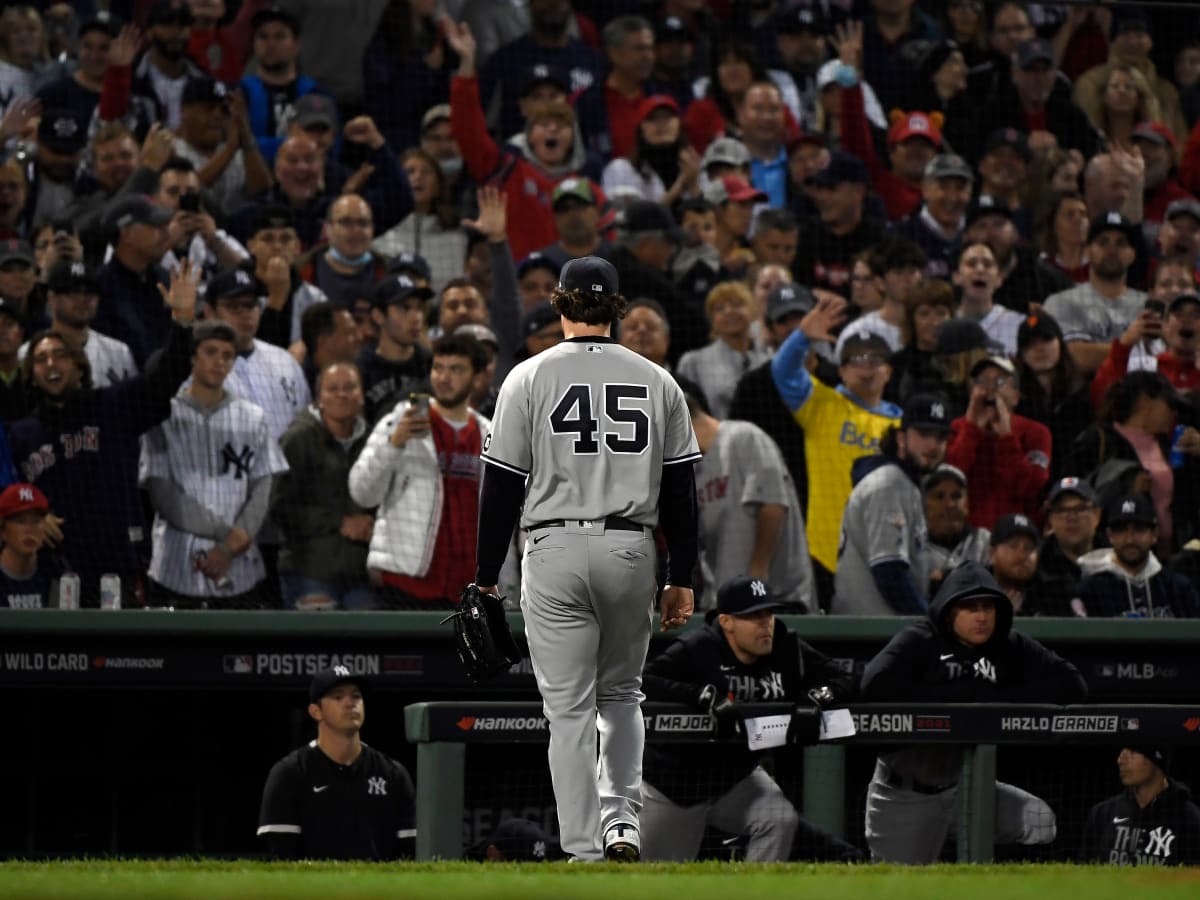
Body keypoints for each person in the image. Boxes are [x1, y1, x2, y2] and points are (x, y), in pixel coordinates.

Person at [473, 256, 700, 862]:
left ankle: (582, 849)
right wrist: (683, 577)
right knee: (622, 696)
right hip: (632, 546)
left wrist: (483, 579)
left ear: (561, 302)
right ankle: (621, 821)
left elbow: (499, 489)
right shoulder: (659, 380)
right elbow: (682, 491)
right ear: (617, 307)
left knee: (569, 710)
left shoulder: (528, 375)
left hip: (553, 546)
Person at [860, 561, 1088, 863]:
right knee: (900, 889)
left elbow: (1072, 684)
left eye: (988, 608)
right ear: (949, 610)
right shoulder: (921, 639)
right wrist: (957, 695)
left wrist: (994, 698)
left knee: (1039, 821)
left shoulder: (1007, 645)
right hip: (907, 793)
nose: (981, 617)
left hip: (964, 789)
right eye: (970, 608)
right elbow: (874, 684)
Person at [5, 263, 198, 607]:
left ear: (79, 365)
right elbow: (12, 494)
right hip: (56, 567)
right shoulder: (21, 434)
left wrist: (182, 321)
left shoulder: (113, 405)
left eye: (60, 356)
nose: (51, 365)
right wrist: (35, 514)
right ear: (31, 375)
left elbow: (167, 376)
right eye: (41, 359)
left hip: (117, 562)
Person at [639, 575, 859, 862]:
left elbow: (847, 677)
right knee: (660, 881)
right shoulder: (699, 647)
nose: (765, 623)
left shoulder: (786, 647)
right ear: (726, 622)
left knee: (778, 819)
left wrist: (817, 697)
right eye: (753, 616)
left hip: (735, 778)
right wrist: (700, 695)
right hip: (675, 785)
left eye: (768, 613)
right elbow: (643, 680)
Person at [139, 320, 288, 609]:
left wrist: (231, 546)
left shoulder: (253, 417)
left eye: (227, 355)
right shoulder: (163, 415)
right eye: (210, 352)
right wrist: (226, 535)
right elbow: (162, 494)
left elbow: (263, 488)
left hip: (240, 569)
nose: (219, 362)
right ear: (192, 357)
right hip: (175, 568)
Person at [772, 293, 901, 607]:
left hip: (885, 549)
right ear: (841, 370)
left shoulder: (901, 424)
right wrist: (802, 337)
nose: (865, 367)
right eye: (855, 359)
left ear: (889, 371)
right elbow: (783, 371)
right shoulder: (821, 404)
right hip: (824, 552)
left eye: (875, 359)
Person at [349, 335, 491, 610]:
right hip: (405, 582)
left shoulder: (490, 433)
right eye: (438, 368)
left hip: (467, 588)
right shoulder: (401, 419)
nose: (444, 377)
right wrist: (394, 444)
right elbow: (362, 492)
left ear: (477, 377)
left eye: (456, 370)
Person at [257, 666, 416, 860]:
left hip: (376, 889)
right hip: (312, 889)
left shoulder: (393, 774)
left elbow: (408, 853)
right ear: (316, 711)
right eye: (338, 697)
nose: (350, 703)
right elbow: (282, 855)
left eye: (356, 696)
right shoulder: (290, 772)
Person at [682, 378, 812, 611]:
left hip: (777, 598)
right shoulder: (693, 470)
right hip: (726, 603)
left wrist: (757, 575)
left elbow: (772, 506)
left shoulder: (743, 437)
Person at [833, 393, 951, 616]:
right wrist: (928, 623)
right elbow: (889, 572)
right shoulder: (887, 484)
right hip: (867, 633)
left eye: (941, 437)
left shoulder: (906, 485)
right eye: (924, 434)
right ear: (901, 438)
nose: (933, 444)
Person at [272, 361, 374, 611]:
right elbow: (279, 509)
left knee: (374, 638)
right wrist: (339, 522)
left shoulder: (374, 440)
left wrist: (372, 524)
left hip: (360, 573)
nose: (341, 394)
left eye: (350, 387)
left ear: (361, 396)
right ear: (319, 399)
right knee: (315, 645)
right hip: (308, 569)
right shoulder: (298, 439)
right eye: (332, 389)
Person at [946, 356, 1052, 528]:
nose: (990, 389)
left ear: (1016, 396)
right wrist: (971, 429)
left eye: (1000, 381)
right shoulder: (957, 429)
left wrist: (1006, 438)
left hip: (1018, 535)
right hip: (965, 534)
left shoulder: (1037, 433)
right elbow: (951, 477)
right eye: (982, 381)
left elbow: (1029, 488)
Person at [1044, 211, 1147, 375]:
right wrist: (1133, 351)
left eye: (1121, 243)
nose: (1112, 250)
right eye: (1103, 242)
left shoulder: (1147, 304)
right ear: (1087, 252)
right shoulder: (1061, 302)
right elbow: (1075, 358)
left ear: (1132, 255)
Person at [1073, 494, 1200, 619]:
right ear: (1110, 535)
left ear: (1154, 534)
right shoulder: (1090, 590)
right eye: (1121, 530)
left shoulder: (1177, 588)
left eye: (1139, 529)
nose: (1130, 539)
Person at [1081, 745, 1200, 866]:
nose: (1121, 760)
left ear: (1157, 760)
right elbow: (1084, 872)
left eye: (1133, 752)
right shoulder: (1102, 813)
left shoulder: (1189, 818)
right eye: (1122, 751)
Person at [238, 6, 321, 165]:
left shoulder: (315, 94)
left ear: (297, 45)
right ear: (254, 44)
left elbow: (323, 146)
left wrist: (259, 144)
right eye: (263, 37)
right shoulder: (239, 93)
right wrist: (294, 143)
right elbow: (235, 146)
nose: (270, 44)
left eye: (280, 36)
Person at [676, 281, 768, 421]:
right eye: (719, 309)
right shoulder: (693, 362)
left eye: (737, 304)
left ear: (753, 311)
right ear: (712, 320)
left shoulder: (771, 357)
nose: (729, 311)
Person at [41, 260, 136, 388]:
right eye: (73, 292)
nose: (82, 299)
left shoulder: (119, 352)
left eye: (89, 292)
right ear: (51, 298)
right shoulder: (31, 354)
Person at [356, 275, 433, 423]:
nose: (416, 317)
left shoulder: (431, 364)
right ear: (378, 316)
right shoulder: (361, 370)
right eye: (404, 308)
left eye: (419, 308)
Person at [921, 462, 990, 597]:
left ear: (967, 504)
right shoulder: (914, 545)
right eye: (939, 496)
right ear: (923, 504)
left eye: (956, 496)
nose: (949, 504)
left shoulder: (983, 541)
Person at [0, 481, 53, 609]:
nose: (29, 530)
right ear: (2, 531)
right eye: (20, 521)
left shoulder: (53, 576)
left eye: (36, 521)